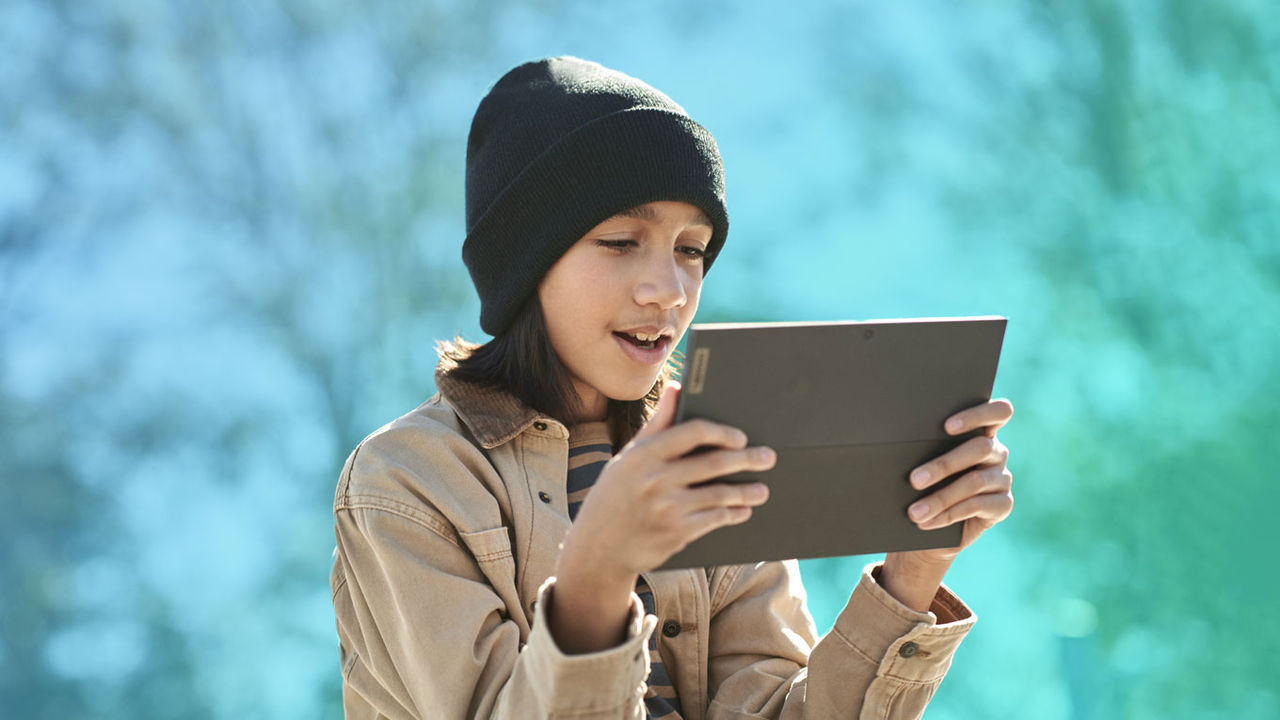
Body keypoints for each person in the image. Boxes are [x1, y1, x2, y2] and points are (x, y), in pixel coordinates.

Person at [329, 55, 1015, 719]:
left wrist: (913, 573)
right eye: (621, 241)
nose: (670, 291)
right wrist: (599, 569)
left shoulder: (720, 449)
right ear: (524, 264)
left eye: (692, 249)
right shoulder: (408, 481)